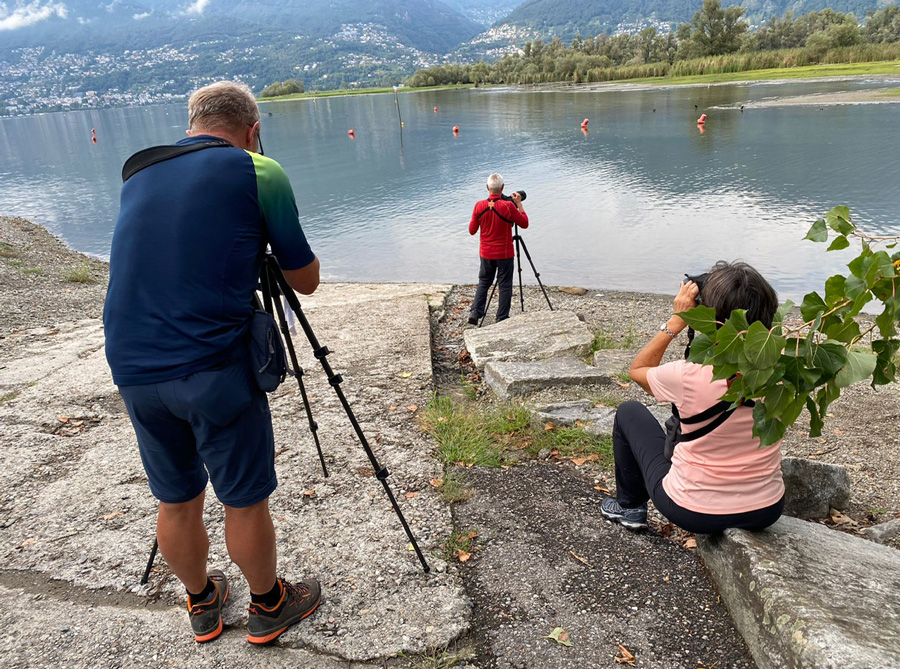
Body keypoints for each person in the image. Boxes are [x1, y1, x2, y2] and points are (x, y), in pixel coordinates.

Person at [103, 81, 322, 645]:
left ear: (192, 124)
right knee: (243, 496)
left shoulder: (138, 171)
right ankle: (270, 603)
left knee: (175, 497)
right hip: (210, 366)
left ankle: (202, 603)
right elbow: (306, 279)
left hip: (132, 366)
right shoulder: (256, 168)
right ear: (253, 132)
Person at [600, 261, 785, 534]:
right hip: (766, 508)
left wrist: (677, 321)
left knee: (629, 412)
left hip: (695, 510)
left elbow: (637, 370)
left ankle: (630, 507)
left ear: (712, 319)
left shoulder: (690, 375)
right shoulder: (785, 369)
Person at [467, 173, 528, 325]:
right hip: (505, 253)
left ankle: (475, 311)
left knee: (484, 282)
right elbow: (524, 223)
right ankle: (501, 317)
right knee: (505, 284)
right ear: (502, 188)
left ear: (487, 187)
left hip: (486, 253)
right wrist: (519, 204)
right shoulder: (508, 206)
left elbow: (472, 230)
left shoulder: (479, 206)